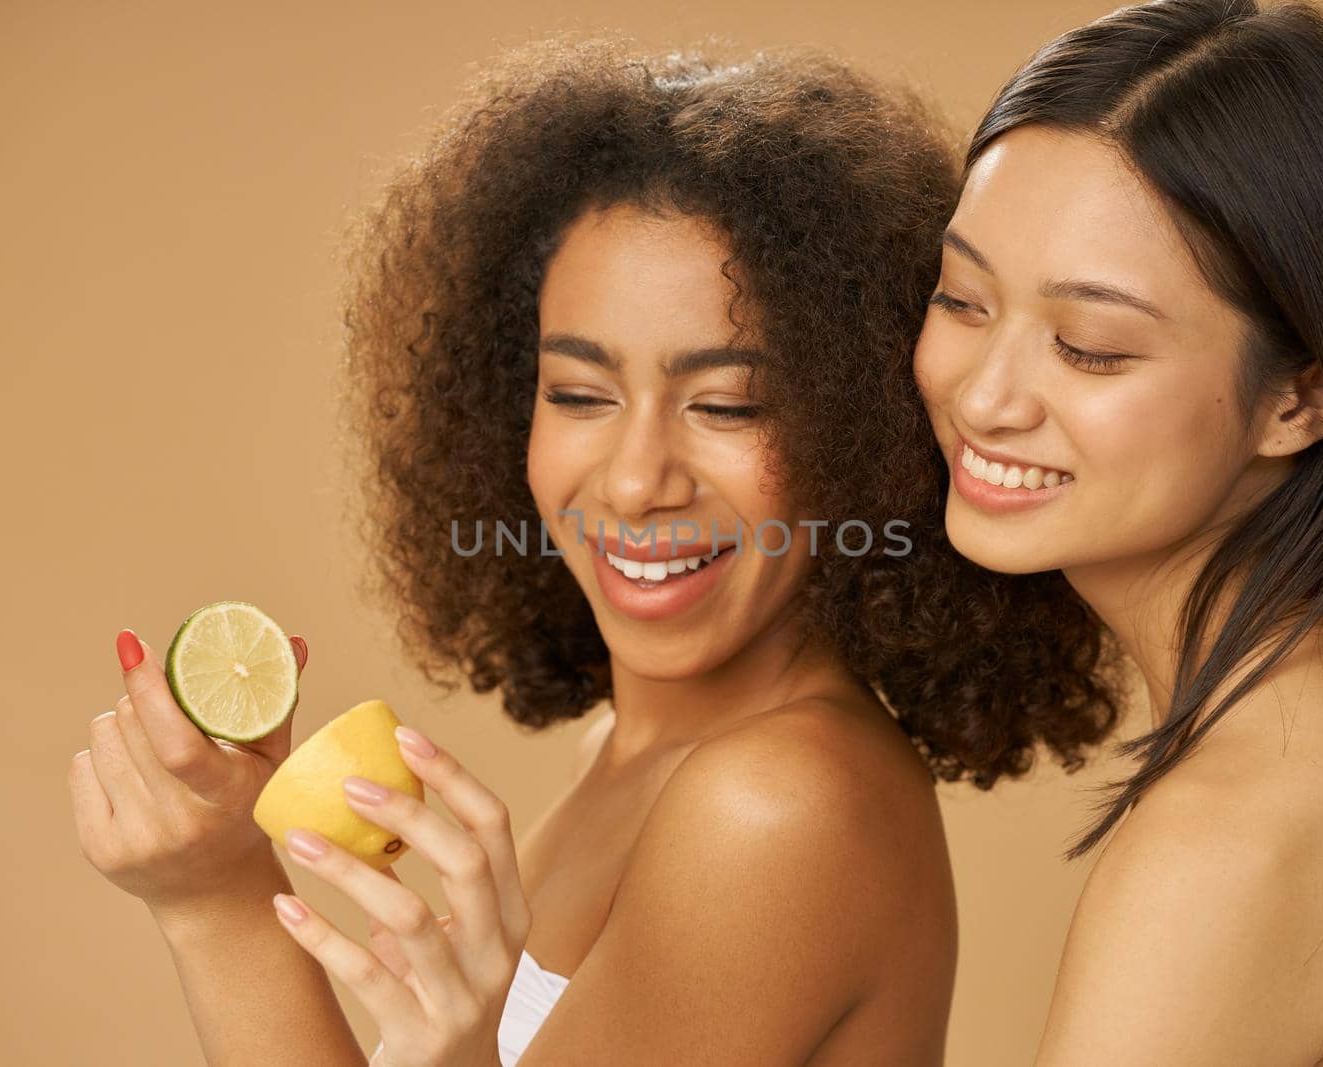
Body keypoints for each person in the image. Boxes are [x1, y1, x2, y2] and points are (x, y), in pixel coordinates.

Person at [69, 38, 1125, 1066]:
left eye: (727, 404)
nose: (631, 480)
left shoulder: (777, 805)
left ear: (867, 437)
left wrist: (221, 907)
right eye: (578, 393)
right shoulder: (632, 754)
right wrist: (219, 881)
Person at [912, 0, 1323, 1061]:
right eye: (961, 298)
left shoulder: (1227, 840)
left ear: (1300, 398)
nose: (986, 397)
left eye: (1087, 347)